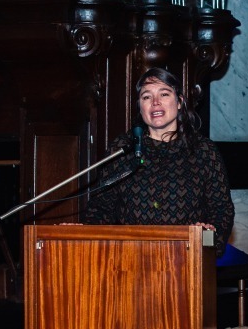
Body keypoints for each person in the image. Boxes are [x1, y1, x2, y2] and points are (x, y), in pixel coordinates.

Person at [84, 67, 234, 255]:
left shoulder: (203, 151)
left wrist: (210, 234)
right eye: (146, 97)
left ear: (179, 102)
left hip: (187, 259)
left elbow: (222, 209)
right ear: (140, 105)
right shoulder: (123, 149)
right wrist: (80, 233)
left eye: (164, 94)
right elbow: (101, 208)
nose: (155, 102)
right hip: (130, 259)